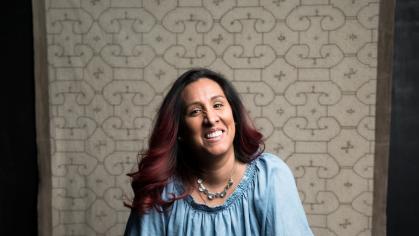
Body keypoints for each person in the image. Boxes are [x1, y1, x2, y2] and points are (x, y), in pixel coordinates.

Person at [124, 68, 313, 235]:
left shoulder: (270, 176)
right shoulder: (160, 191)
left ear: (234, 115)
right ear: (179, 130)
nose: (211, 118)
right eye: (195, 111)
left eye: (217, 105)